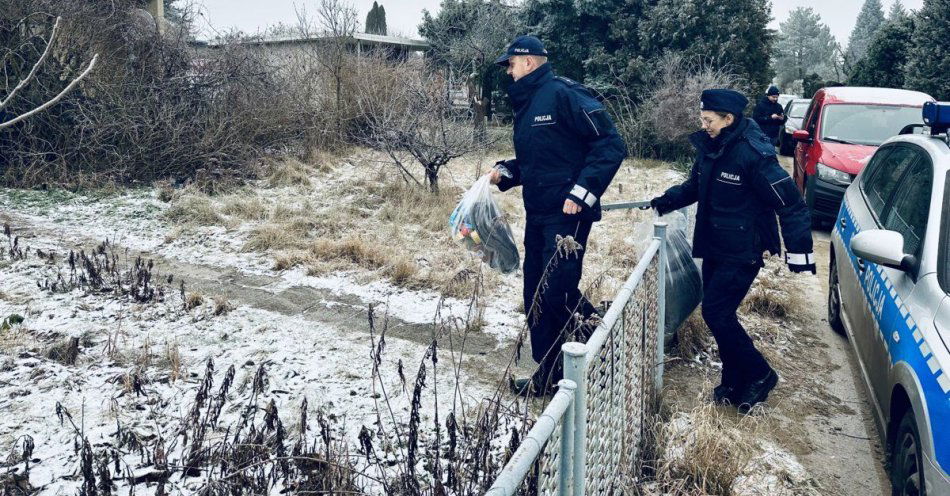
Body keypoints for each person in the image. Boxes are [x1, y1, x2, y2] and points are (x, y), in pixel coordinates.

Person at [649, 89, 814, 413]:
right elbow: (695, 186)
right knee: (719, 314)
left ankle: (760, 373)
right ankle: (733, 380)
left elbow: (791, 203)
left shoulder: (753, 154)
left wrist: (799, 254)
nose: (704, 125)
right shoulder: (712, 147)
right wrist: (667, 200)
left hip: (745, 248)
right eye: (703, 119)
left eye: (709, 120)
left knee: (716, 313)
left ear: (729, 119)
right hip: (714, 243)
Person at [488, 35, 627, 396]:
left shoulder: (564, 94)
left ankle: (600, 354)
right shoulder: (528, 102)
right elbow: (543, 161)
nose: (508, 71)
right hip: (538, 212)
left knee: (556, 292)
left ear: (530, 62)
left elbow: (611, 145)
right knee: (535, 293)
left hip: (568, 215)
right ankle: (549, 372)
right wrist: (508, 172)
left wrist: (582, 193)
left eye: (512, 64)